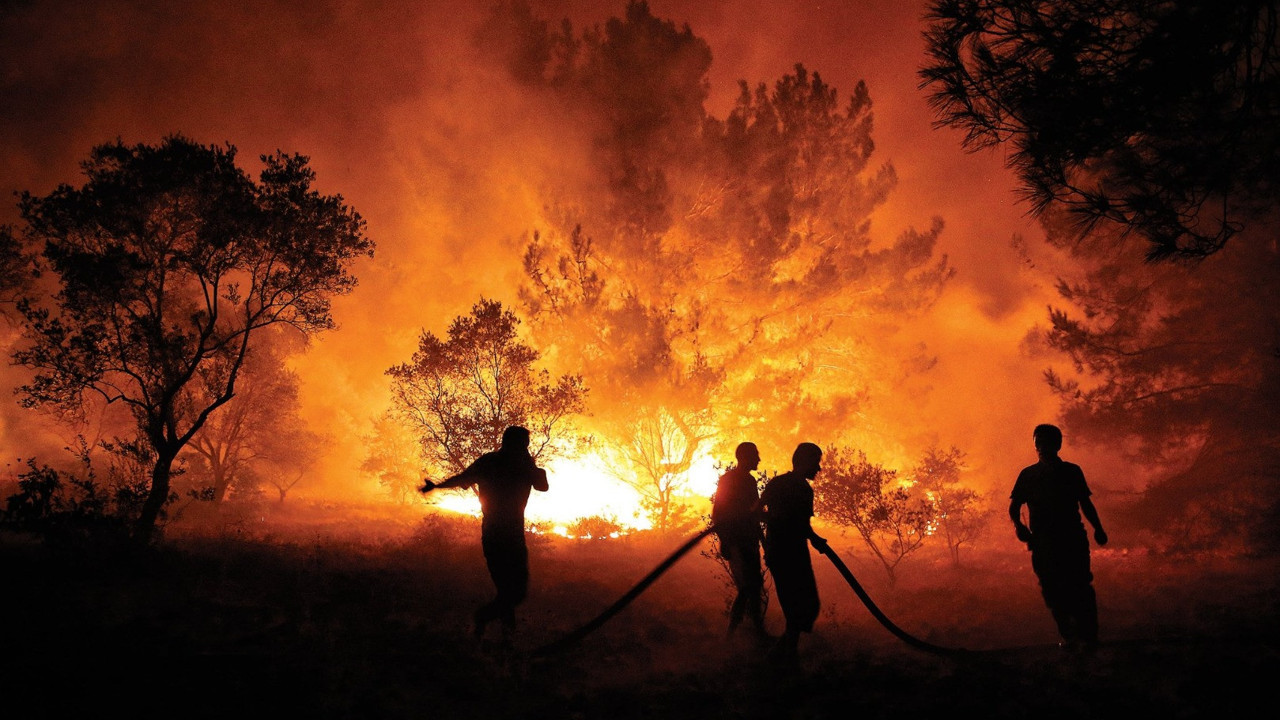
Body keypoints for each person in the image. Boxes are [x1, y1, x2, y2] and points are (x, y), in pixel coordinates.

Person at [421, 425, 549, 643]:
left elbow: (462, 478)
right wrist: (532, 465)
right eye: (524, 445)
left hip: (495, 536)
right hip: (507, 538)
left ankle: (503, 637)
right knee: (514, 593)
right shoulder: (522, 466)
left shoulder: (491, 462)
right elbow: (542, 485)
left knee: (507, 592)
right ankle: (488, 623)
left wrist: (437, 487)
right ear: (522, 445)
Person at [1009, 423, 1108, 652]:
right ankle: (1069, 635)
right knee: (1052, 588)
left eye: (1046, 443)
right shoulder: (1028, 475)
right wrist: (1019, 527)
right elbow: (1014, 507)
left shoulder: (1072, 472)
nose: (1041, 448)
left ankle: (1088, 636)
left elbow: (1085, 503)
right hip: (1043, 541)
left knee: (1080, 585)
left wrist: (1098, 528)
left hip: (1072, 538)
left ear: (1058, 445)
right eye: (1038, 443)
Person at [759, 442, 829, 665]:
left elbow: (758, 511)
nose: (818, 469)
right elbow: (760, 513)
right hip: (789, 553)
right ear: (805, 462)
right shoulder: (801, 489)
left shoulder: (780, 483)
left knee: (801, 606)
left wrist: (768, 541)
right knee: (800, 606)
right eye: (816, 463)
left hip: (785, 552)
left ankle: (784, 655)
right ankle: (783, 658)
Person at [711, 441, 769, 640]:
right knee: (748, 586)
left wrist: (763, 541)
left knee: (753, 586)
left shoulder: (750, 482)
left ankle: (754, 632)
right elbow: (717, 513)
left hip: (749, 541)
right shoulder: (728, 480)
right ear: (744, 457)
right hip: (736, 542)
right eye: (755, 455)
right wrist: (725, 541)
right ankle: (735, 634)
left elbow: (755, 513)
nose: (759, 459)